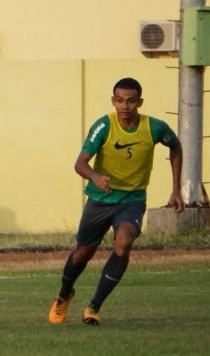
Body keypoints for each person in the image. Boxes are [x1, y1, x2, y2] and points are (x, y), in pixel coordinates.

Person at [48, 77, 183, 325]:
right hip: (101, 199)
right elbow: (79, 164)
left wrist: (176, 189)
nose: (125, 106)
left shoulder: (154, 128)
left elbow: (175, 147)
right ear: (113, 101)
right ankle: (64, 295)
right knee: (82, 254)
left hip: (132, 199)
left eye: (131, 101)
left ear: (140, 102)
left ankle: (93, 307)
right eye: (120, 100)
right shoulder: (104, 126)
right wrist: (95, 176)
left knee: (124, 242)